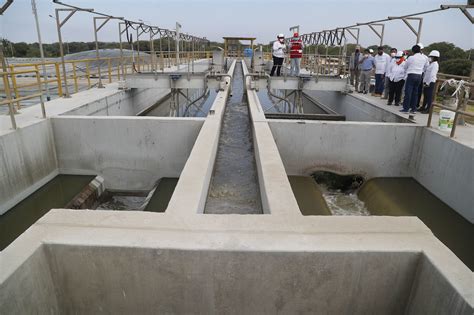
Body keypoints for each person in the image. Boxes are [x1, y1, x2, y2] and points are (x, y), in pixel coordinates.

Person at [400, 45, 429, 113]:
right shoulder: (424, 58)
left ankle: (406, 108)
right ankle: (413, 109)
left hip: (411, 75)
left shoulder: (411, 58)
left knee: (408, 92)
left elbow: (405, 66)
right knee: (415, 93)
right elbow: (426, 67)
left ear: (413, 51)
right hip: (419, 75)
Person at [415, 42, 430, 108]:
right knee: (412, 90)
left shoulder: (425, 57)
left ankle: (416, 104)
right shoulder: (413, 56)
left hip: (420, 75)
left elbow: (426, 67)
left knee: (418, 91)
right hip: (414, 74)